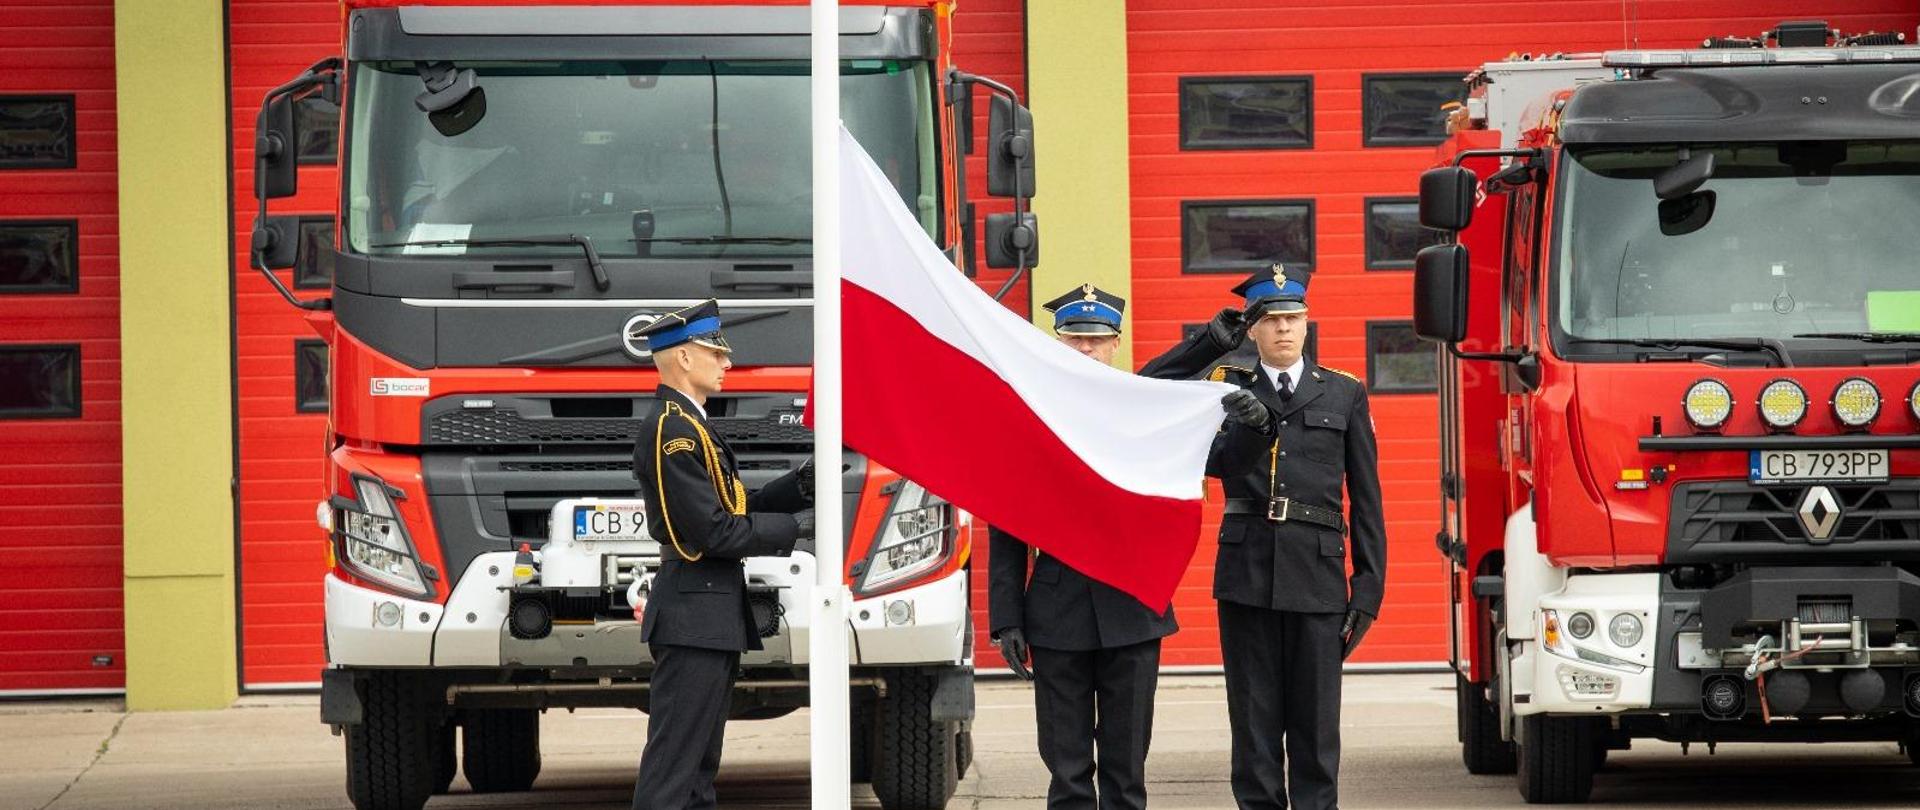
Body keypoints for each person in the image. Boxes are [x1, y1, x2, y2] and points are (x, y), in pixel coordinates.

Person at [988, 283, 1245, 810]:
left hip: (1131, 606)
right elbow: (1007, 523)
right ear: (1055, 341)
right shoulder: (1032, 417)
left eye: (1097, 339)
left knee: (1127, 770)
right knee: (1067, 770)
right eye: (1074, 338)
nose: (1085, 349)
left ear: (1116, 344)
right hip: (1056, 610)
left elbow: (1159, 380)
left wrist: (1211, 343)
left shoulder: (1137, 406)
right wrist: (1007, 618)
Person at [1206, 266, 1386, 810]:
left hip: (1318, 576)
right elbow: (1214, 465)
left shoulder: (1345, 391)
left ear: (1307, 325)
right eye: (1272, 320)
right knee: (1255, 730)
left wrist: (1369, 589)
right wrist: (1248, 427)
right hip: (1248, 574)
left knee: (1314, 731)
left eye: (1294, 318)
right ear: (1253, 329)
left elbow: (1367, 496)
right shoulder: (1226, 388)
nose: (1285, 329)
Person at [629, 299, 815, 810]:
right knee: (674, 771)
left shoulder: (690, 423)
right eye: (716, 351)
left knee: (697, 775)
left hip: (705, 613)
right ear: (684, 358)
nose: (727, 362)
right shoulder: (673, 430)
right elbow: (712, 532)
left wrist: (795, 488)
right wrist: (792, 529)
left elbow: (732, 507)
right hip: (693, 613)